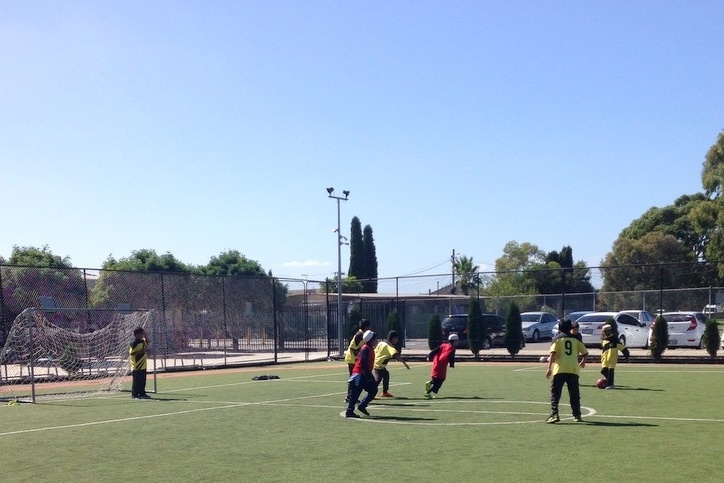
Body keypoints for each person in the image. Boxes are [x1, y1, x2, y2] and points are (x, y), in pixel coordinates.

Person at [545, 319, 588, 423]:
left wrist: (549, 368)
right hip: (573, 369)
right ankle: (577, 416)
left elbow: (552, 354)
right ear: (570, 328)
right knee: (574, 394)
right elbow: (585, 352)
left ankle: (555, 415)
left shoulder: (557, 339)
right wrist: (583, 361)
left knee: (555, 393)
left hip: (560, 369)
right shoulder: (576, 339)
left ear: (559, 328)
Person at [345, 330, 379, 418]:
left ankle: (362, 405)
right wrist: (369, 375)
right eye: (375, 339)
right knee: (355, 394)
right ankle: (350, 411)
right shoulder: (365, 348)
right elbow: (363, 363)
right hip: (360, 374)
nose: (376, 340)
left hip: (363, 374)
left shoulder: (369, 348)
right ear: (371, 340)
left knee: (373, 390)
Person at [374, 330, 410, 397]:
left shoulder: (381, 343)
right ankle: (371, 394)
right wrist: (405, 363)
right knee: (378, 379)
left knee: (386, 375)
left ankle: (385, 393)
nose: (397, 340)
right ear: (393, 338)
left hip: (376, 363)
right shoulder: (389, 347)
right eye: (397, 338)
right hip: (379, 365)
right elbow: (396, 356)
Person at [423, 333, 458, 399]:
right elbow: (451, 357)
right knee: (439, 381)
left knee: (436, 379)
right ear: (454, 341)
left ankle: (430, 383)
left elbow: (435, 350)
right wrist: (452, 365)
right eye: (457, 341)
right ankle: (427, 393)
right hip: (441, 366)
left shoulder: (443, 345)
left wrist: (429, 356)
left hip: (436, 364)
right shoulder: (452, 349)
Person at [344, 319, 371, 402]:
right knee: (354, 378)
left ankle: (351, 396)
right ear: (366, 327)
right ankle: (349, 397)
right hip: (352, 358)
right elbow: (353, 348)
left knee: (355, 378)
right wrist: (359, 356)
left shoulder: (362, 334)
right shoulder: (359, 335)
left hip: (354, 359)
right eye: (369, 326)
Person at [600, 324, 630, 389]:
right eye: (603, 331)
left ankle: (610, 385)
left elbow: (622, 348)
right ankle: (607, 380)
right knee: (603, 370)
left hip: (612, 358)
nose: (604, 333)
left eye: (605, 331)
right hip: (605, 359)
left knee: (610, 371)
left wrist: (626, 354)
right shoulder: (604, 339)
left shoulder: (614, 340)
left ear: (609, 331)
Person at [129, 327, 151, 400]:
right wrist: (143, 351)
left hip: (143, 365)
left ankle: (142, 393)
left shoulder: (142, 341)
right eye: (141, 333)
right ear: (136, 335)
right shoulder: (134, 343)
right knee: (136, 381)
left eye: (142, 333)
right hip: (136, 365)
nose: (142, 335)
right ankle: (134, 394)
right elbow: (132, 353)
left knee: (143, 380)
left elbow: (148, 341)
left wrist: (145, 334)